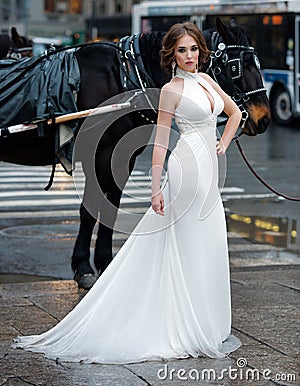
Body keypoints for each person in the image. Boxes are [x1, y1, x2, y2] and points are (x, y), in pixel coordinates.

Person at [12, 22, 242, 364]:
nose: (189, 56)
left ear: (201, 51)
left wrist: (222, 144)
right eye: (182, 50)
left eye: (193, 49)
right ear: (171, 55)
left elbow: (235, 112)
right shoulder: (170, 90)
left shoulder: (209, 81)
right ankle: (180, 321)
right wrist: (154, 187)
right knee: (185, 244)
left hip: (209, 170)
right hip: (184, 171)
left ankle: (205, 319)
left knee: (208, 242)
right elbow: (161, 139)